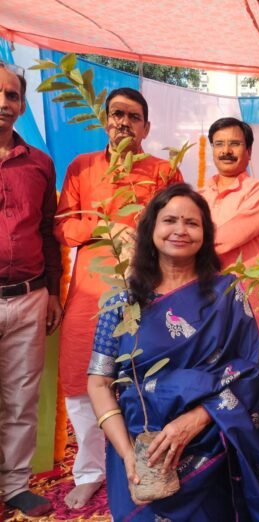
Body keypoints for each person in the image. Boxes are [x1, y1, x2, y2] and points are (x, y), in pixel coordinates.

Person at [86, 184, 259, 521]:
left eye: (192, 223)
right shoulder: (122, 302)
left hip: (213, 448)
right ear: (151, 229)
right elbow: (99, 382)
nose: (180, 230)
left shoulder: (227, 295)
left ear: (205, 234)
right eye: (170, 220)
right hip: (142, 453)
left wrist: (199, 417)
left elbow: (252, 372)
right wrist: (128, 454)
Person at [55, 87, 182, 509]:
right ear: (105, 120)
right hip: (91, 290)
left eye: (133, 116)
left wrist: (143, 233)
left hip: (146, 289)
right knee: (80, 375)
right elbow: (64, 227)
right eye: (116, 114)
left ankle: (145, 459)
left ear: (146, 127)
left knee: (147, 370)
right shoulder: (82, 167)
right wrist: (106, 225)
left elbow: (179, 222)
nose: (123, 122)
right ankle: (90, 471)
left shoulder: (163, 172)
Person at [0, 61, 62, 517]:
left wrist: (53, 292)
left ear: (22, 105)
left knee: (21, 398)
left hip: (29, 296)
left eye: (12, 95)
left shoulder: (40, 163)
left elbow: (47, 231)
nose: (4, 103)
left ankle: (14, 486)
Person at [200, 117, 259, 370]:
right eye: (219, 144)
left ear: (249, 151)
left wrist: (192, 251)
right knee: (209, 368)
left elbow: (230, 235)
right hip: (205, 293)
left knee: (253, 369)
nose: (226, 151)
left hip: (248, 294)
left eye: (234, 144)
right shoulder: (198, 197)